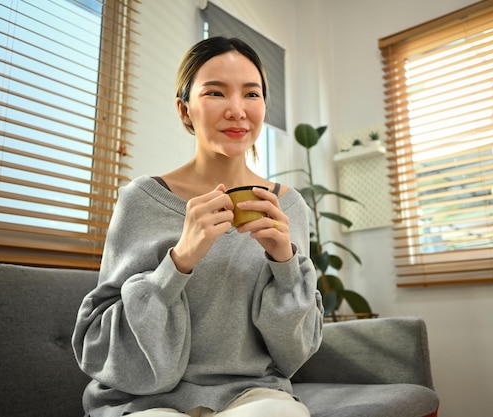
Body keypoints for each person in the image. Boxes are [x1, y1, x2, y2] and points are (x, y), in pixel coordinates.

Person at [72, 36, 324, 417]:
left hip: (253, 394)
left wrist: (285, 264)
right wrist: (180, 260)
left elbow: (294, 355)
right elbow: (98, 340)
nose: (237, 110)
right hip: (143, 400)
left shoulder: (287, 206)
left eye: (251, 94)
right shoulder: (141, 199)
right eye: (216, 93)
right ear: (184, 110)